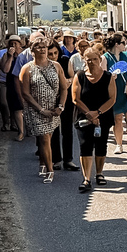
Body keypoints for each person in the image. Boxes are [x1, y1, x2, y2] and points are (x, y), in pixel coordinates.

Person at [20, 38, 68, 183]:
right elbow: (25, 93)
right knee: (44, 138)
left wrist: (61, 106)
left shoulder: (56, 66)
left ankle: (42, 162)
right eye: (38, 47)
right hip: (35, 109)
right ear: (32, 51)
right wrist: (40, 110)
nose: (42, 49)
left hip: (53, 109)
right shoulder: (27, 69)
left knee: (46, 138)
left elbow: (64, 87)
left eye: (43, 47)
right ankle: (50, 170)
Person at [72, 47, 116, 193]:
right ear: (84, 60)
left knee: (101, 145)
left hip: (103, 116)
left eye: (94, 59)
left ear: (100, 59)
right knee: (85, 145)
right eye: (88, 59)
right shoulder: (79, 76)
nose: (91, 62)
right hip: (84, 117)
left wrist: (97, 113)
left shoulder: (108, 77)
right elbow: (75, 98)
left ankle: (99, 173)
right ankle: (86, 179)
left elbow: (112, 98)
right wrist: (89, 114)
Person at [103, 33, 127, 155]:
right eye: (123, 42)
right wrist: (110, 76)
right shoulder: (105, 57)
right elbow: (103, 75)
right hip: (113, 90)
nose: (125, 45)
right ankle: (119, 144)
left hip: (125, 90)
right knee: (117, 118)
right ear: (117, 44)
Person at [49, 41, 79, 171]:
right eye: (50, 54)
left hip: (66, 98)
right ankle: (56, 159)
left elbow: (73, 76)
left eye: (55, 52)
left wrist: (68, 82)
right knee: (53, 130)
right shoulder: (45, 64)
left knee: (67, 129)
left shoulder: (65, 60)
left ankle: (68, 159)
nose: (53, 56)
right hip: (50, 99)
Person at [0, 34, 28, 140]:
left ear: (20, 45)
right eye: (11, 44)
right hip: (11, 82)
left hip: (23, 82)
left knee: (25, 106)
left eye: (15, 43)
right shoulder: (6, 56)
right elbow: (6, 70)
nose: (13, 46)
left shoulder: (24, 55)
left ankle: (28, 128)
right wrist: (10, 57)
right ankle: (21, 131)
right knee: (16, 107)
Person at [0, 39, 12, 131]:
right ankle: (6, 122)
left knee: (14, 103)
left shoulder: (21, 53)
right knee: (4, 103)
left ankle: (14, 123)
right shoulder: (1, 53)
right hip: (3, 81)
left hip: (15, 81)